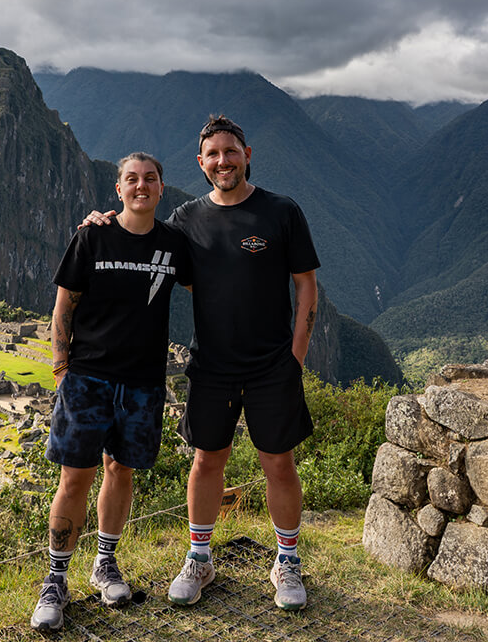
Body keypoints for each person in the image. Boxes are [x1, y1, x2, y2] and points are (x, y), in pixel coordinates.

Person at [84, 115, 319, 611]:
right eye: (212, 154)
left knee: (278, 461)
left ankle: (288, 563)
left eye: (230, 151)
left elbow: (305, 286)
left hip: (272, 363)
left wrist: (295, 360)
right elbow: (141, 241)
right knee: (206, 459)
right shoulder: (187, 219)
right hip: (211, 364)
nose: (222, 161)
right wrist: (100, 225)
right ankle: (199, 557)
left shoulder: (280, 212)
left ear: (247, 153)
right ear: (201, 163)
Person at [30, 152, 192, 632]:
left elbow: (212, 283)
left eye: (150, 179)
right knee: (74, 479)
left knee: (120, 471)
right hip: (88, 379)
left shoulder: (174, 245)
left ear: (162, 188)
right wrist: (62, 372)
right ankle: (55, 580)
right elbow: (63, 309)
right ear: (118, 189)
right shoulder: (92, 236)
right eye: (131, 179)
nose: (141, 186)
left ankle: (105, 563)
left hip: (143, 382)